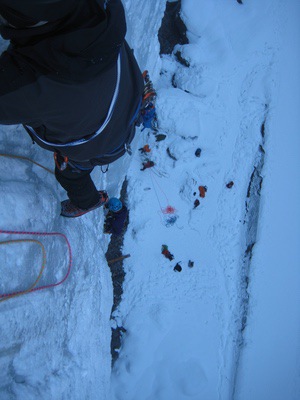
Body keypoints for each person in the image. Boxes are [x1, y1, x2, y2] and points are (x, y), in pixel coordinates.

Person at [0, 0, 144, 217]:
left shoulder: (26, 85)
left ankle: (87, 202)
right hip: (122, 111)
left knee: (70, 174)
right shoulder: (102, 13)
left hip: (102, 143)